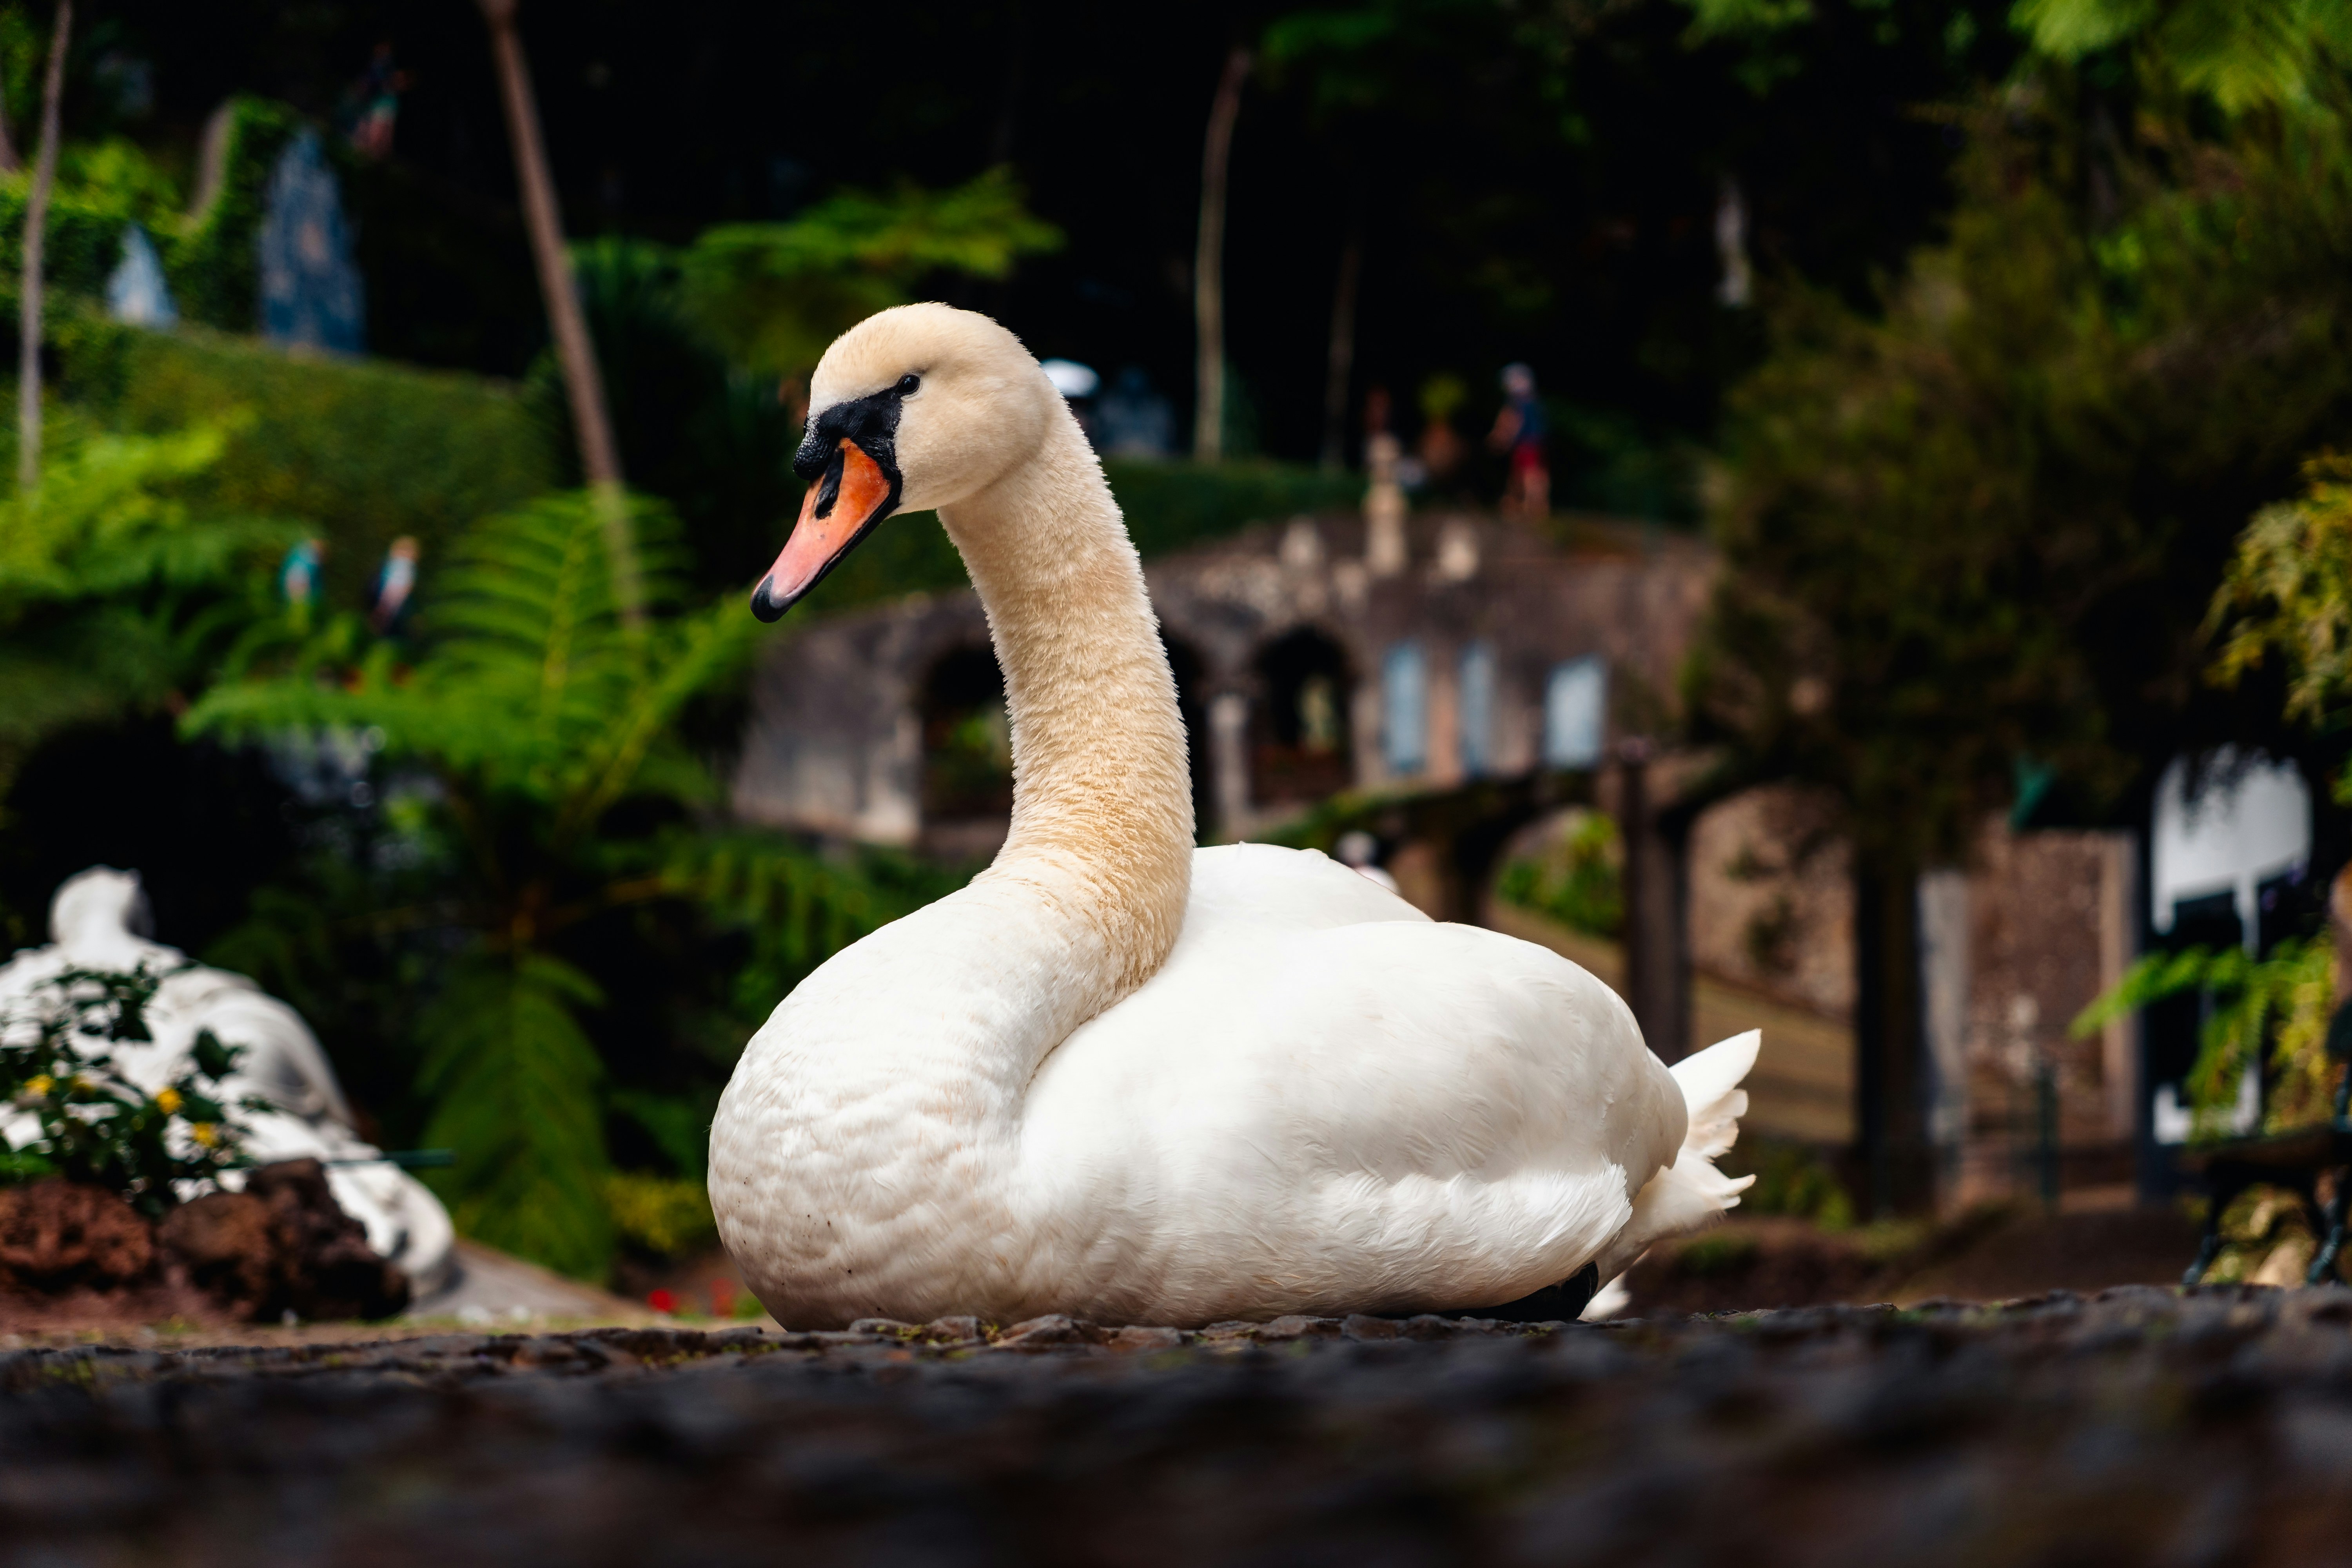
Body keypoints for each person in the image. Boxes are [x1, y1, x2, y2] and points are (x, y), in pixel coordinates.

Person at [1487, 362, 1550, 520]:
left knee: (1529, 473)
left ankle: (1532, 504)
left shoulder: (1519, 404)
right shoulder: (1533, 401)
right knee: (1526, 473)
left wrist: (1503, 437)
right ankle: (1522, 502)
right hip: (1534, 443)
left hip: (1526, 444)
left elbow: (1513, 422)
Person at [368, 536, 420, 636]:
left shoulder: (395, 564)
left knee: (384, 617)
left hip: (389, 595)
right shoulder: (404, 565)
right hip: (393, 596)